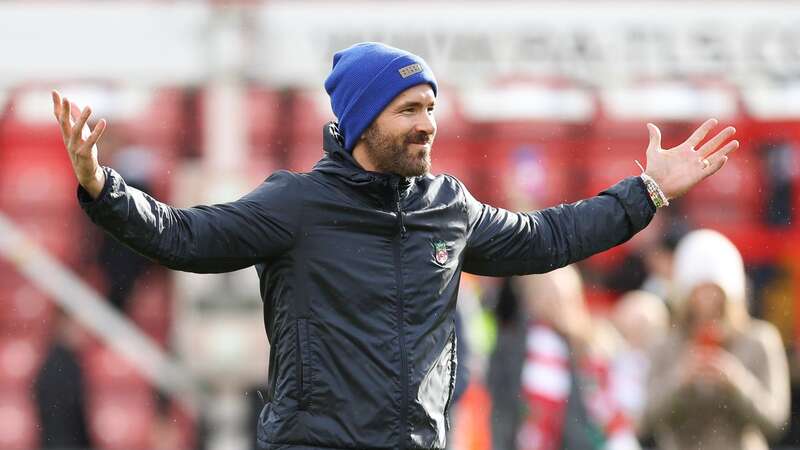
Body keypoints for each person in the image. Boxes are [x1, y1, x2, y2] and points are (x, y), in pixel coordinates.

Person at [52, 42, 739, 450]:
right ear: (359, 122)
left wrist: (648, 191)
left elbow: (551, 237)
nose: (427, 126)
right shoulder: (296, 205)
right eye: (409, 111)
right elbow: (183, 236)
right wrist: (102, 185)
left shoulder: (450, 209)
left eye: (431, 109)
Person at [643, 229, 790, 450]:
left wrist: (736, 381)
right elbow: (644, 421)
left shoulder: (759, 340)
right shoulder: (665, 344)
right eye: (698, 292)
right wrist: (681, 380)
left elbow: (776, 421)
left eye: (714, 292)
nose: (706, 301)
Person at [517, 266, 639, 450]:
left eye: (558, 296)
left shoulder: (593, 344)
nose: (551, 303)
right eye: (544, 294)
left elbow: (607, 409)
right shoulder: (519, 344)